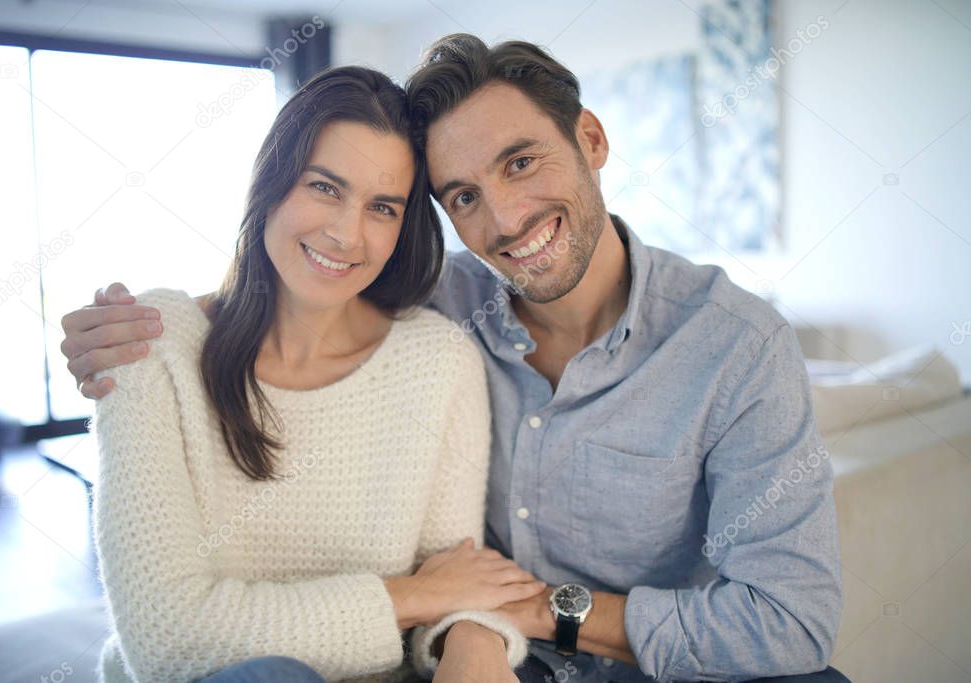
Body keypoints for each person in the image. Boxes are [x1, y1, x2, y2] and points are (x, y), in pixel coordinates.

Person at [62, 36, 849, 682]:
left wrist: (539, 608)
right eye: (462, 196)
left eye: (521, 162)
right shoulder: (444, 303)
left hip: (620, 659)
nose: (505, 221)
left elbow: (792, 618)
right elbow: (312, 277)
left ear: (593, 140)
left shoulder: (737, 347)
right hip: (467, 645)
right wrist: (148, 331)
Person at [82, 65, 547, 683]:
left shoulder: (437, 360)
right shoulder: (153, 342)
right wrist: (405, 597)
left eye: (381, 207)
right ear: (272, 183)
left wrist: (472, 638)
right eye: (325, 187)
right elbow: (167, 640)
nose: (345, 233)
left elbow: (452, 584)